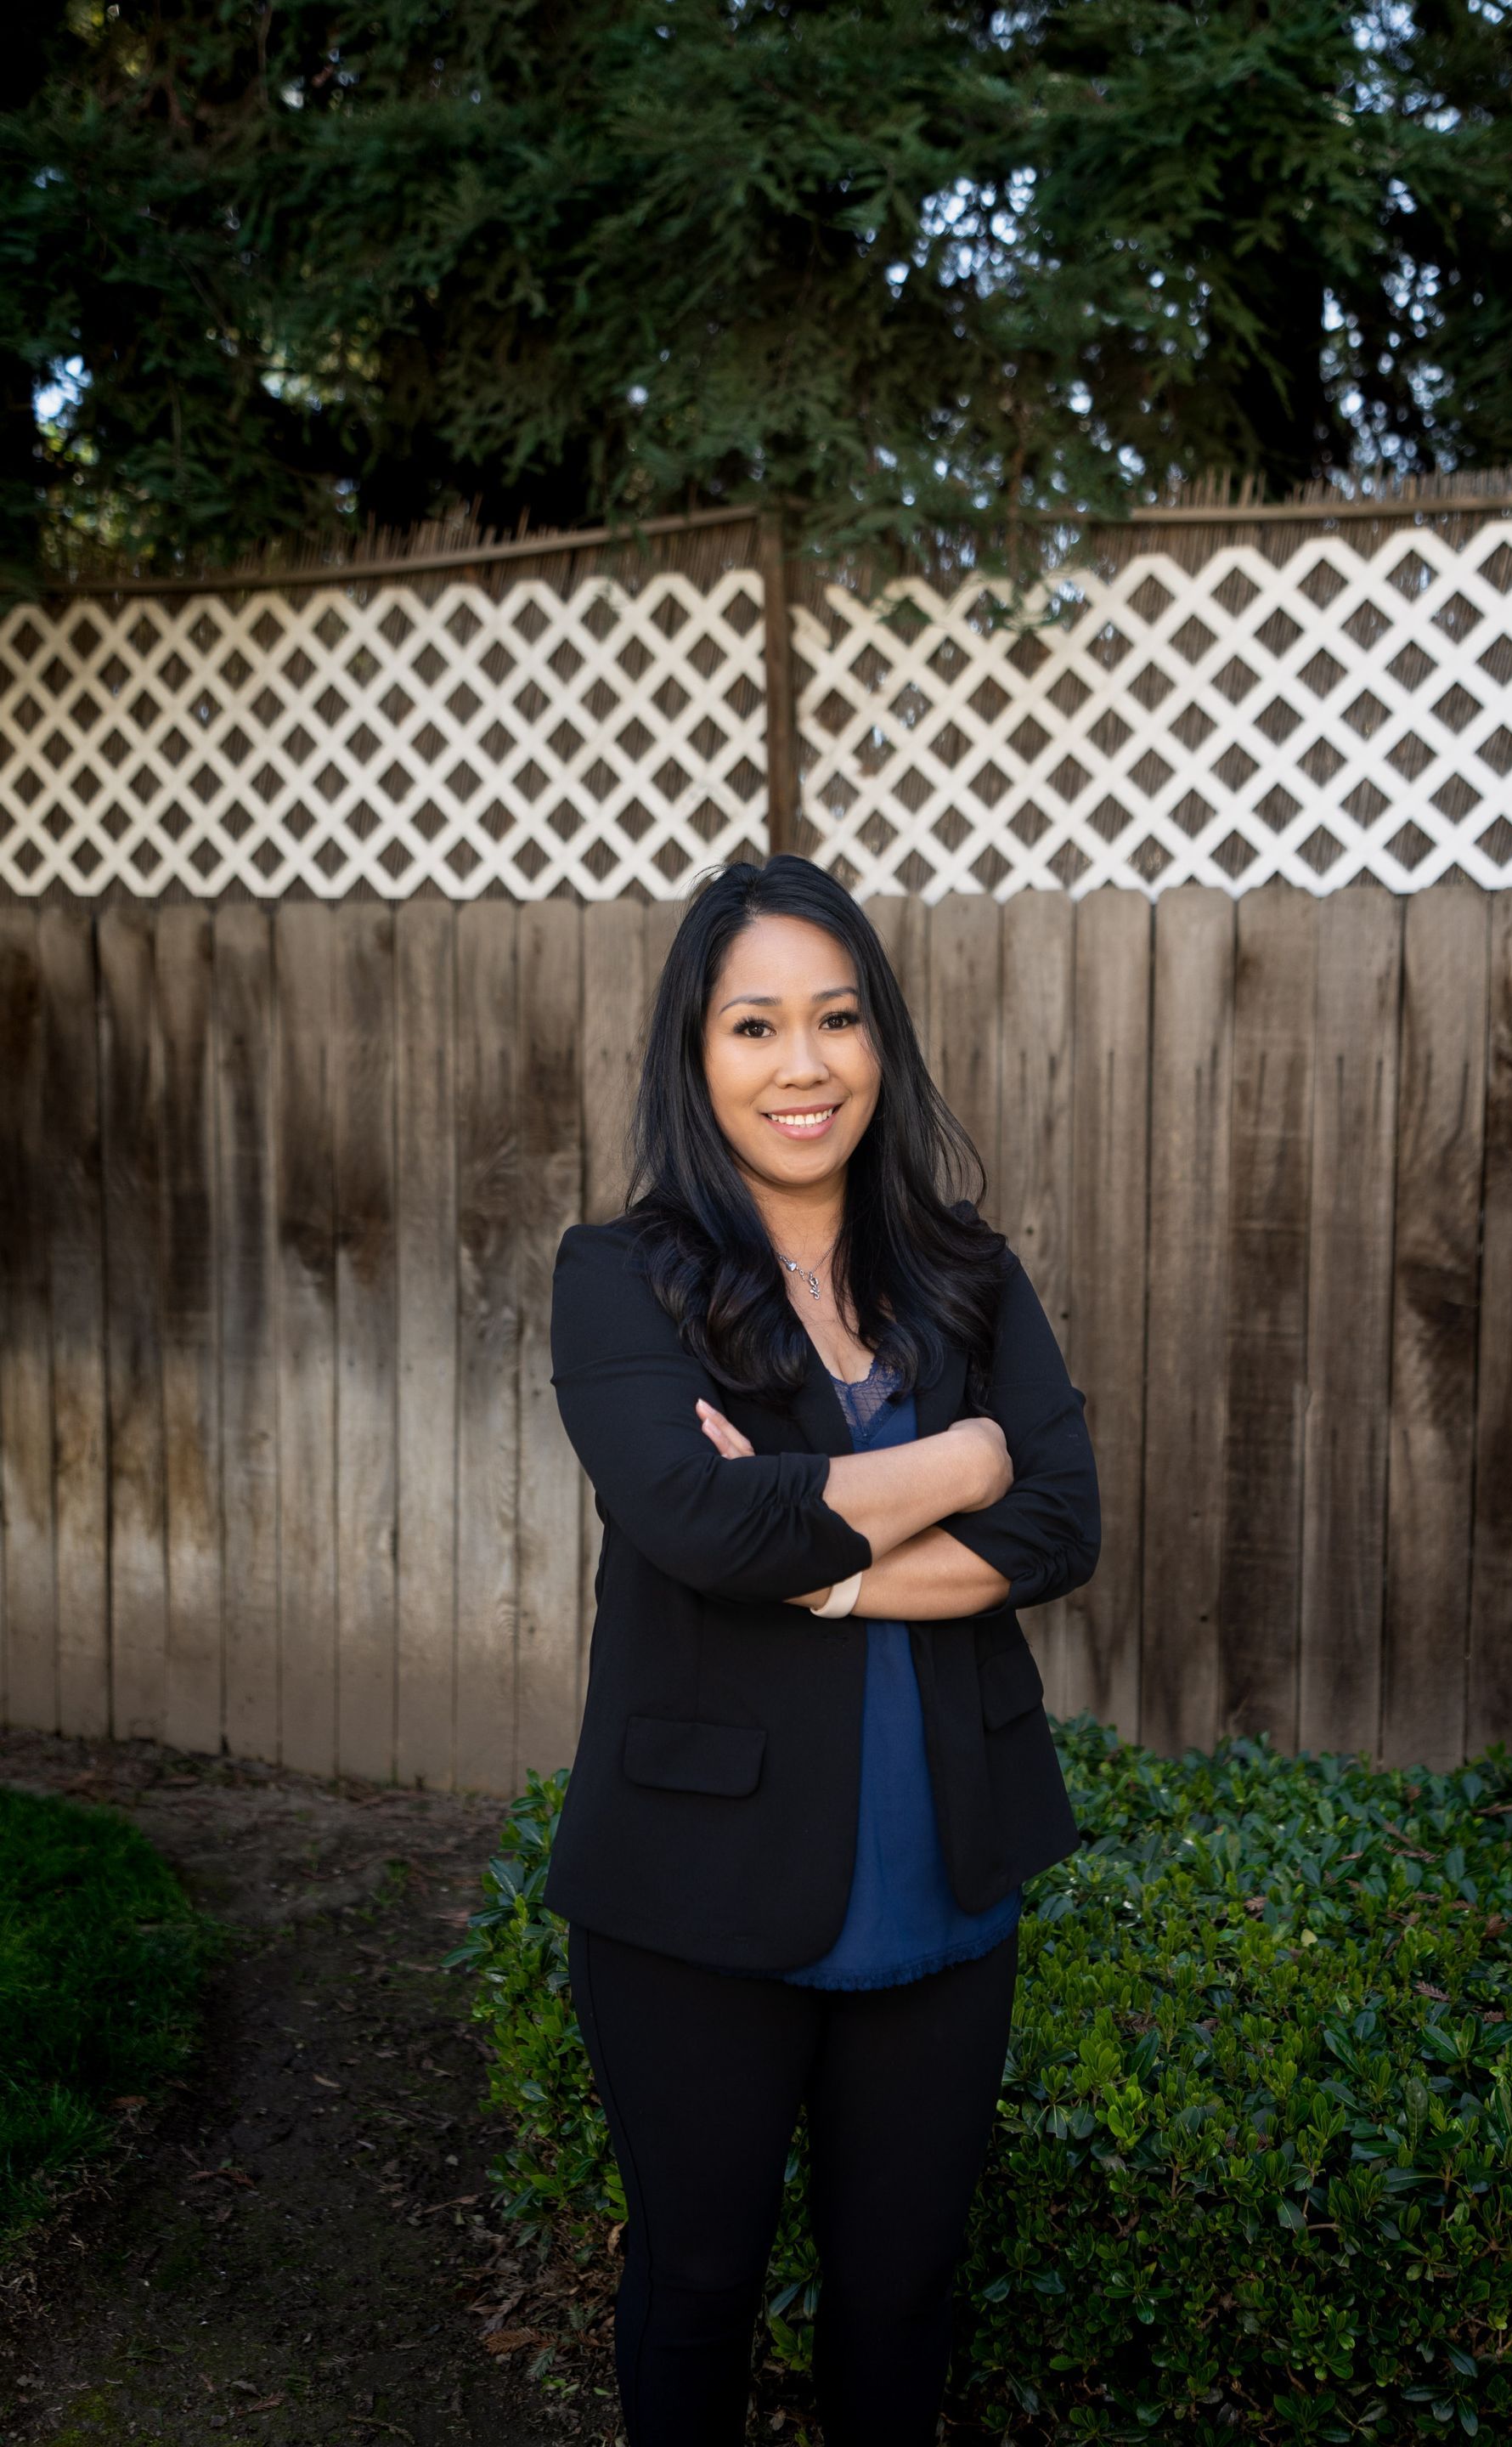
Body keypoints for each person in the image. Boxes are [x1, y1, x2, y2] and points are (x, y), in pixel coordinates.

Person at [546, 855, 1099, 2446]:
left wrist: (837, 1564)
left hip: (946, 1885)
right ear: (697, 1056)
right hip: (695, 1898)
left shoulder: (965, 1272)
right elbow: (705, 1530)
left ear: (882, 1042)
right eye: (756, 1026)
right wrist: (969, 1461)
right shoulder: (622, 1279)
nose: (805, 1065)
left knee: (903, 2301)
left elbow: (1063, 1527)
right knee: (699, 2289)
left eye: (839, 1018)